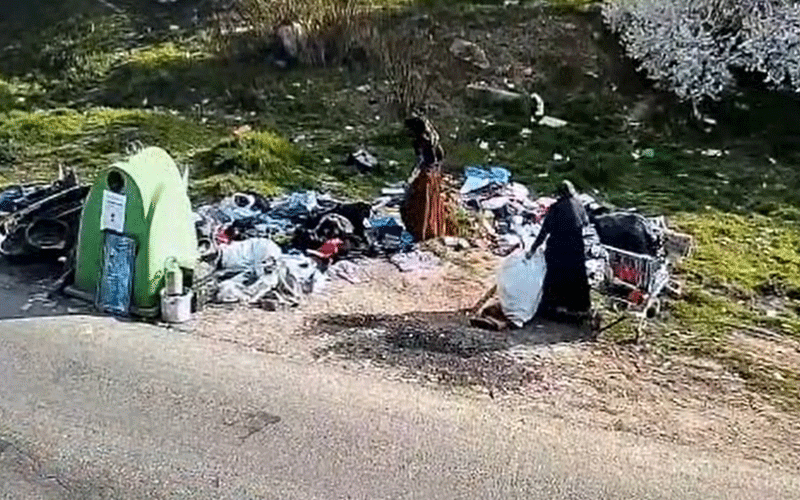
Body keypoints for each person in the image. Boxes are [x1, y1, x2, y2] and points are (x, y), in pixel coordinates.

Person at [526, 180, 591, 321]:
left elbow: (544, 231)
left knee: (555, 278)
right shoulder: (579, 205)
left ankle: (554, 309)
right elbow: (585, 223)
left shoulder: (556, 208)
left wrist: (532, 249)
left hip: (559, 249)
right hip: (577, 249)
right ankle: (580, 310)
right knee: (578, 279)